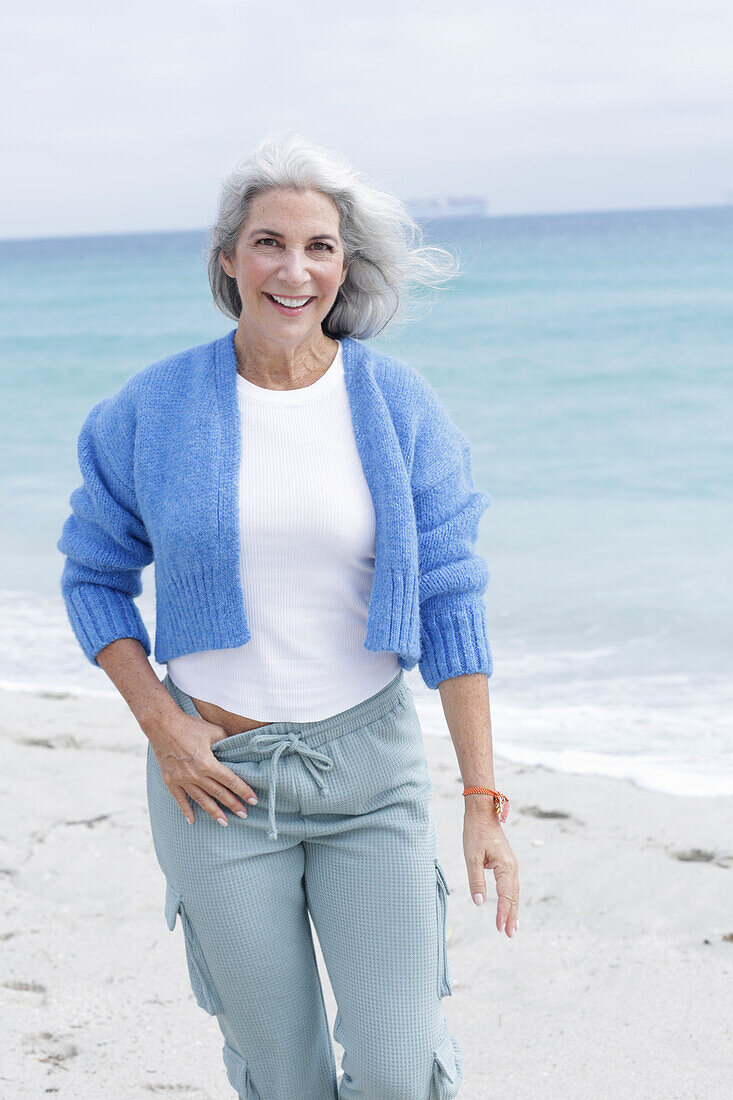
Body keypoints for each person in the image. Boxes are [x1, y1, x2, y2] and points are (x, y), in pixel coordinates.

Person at [57, 132, 520, 1100]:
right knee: (285, 1075)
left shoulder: (398, 405)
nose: (292, 268)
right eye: (269, 241)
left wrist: (482, 802)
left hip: (372, 775)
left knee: (399, 1069)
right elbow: (93, 575)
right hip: (214, 779)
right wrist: (164, 725)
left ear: (344, 266)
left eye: (318, 247)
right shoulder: (153, 407)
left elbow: (451, 598)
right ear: (229, 257)